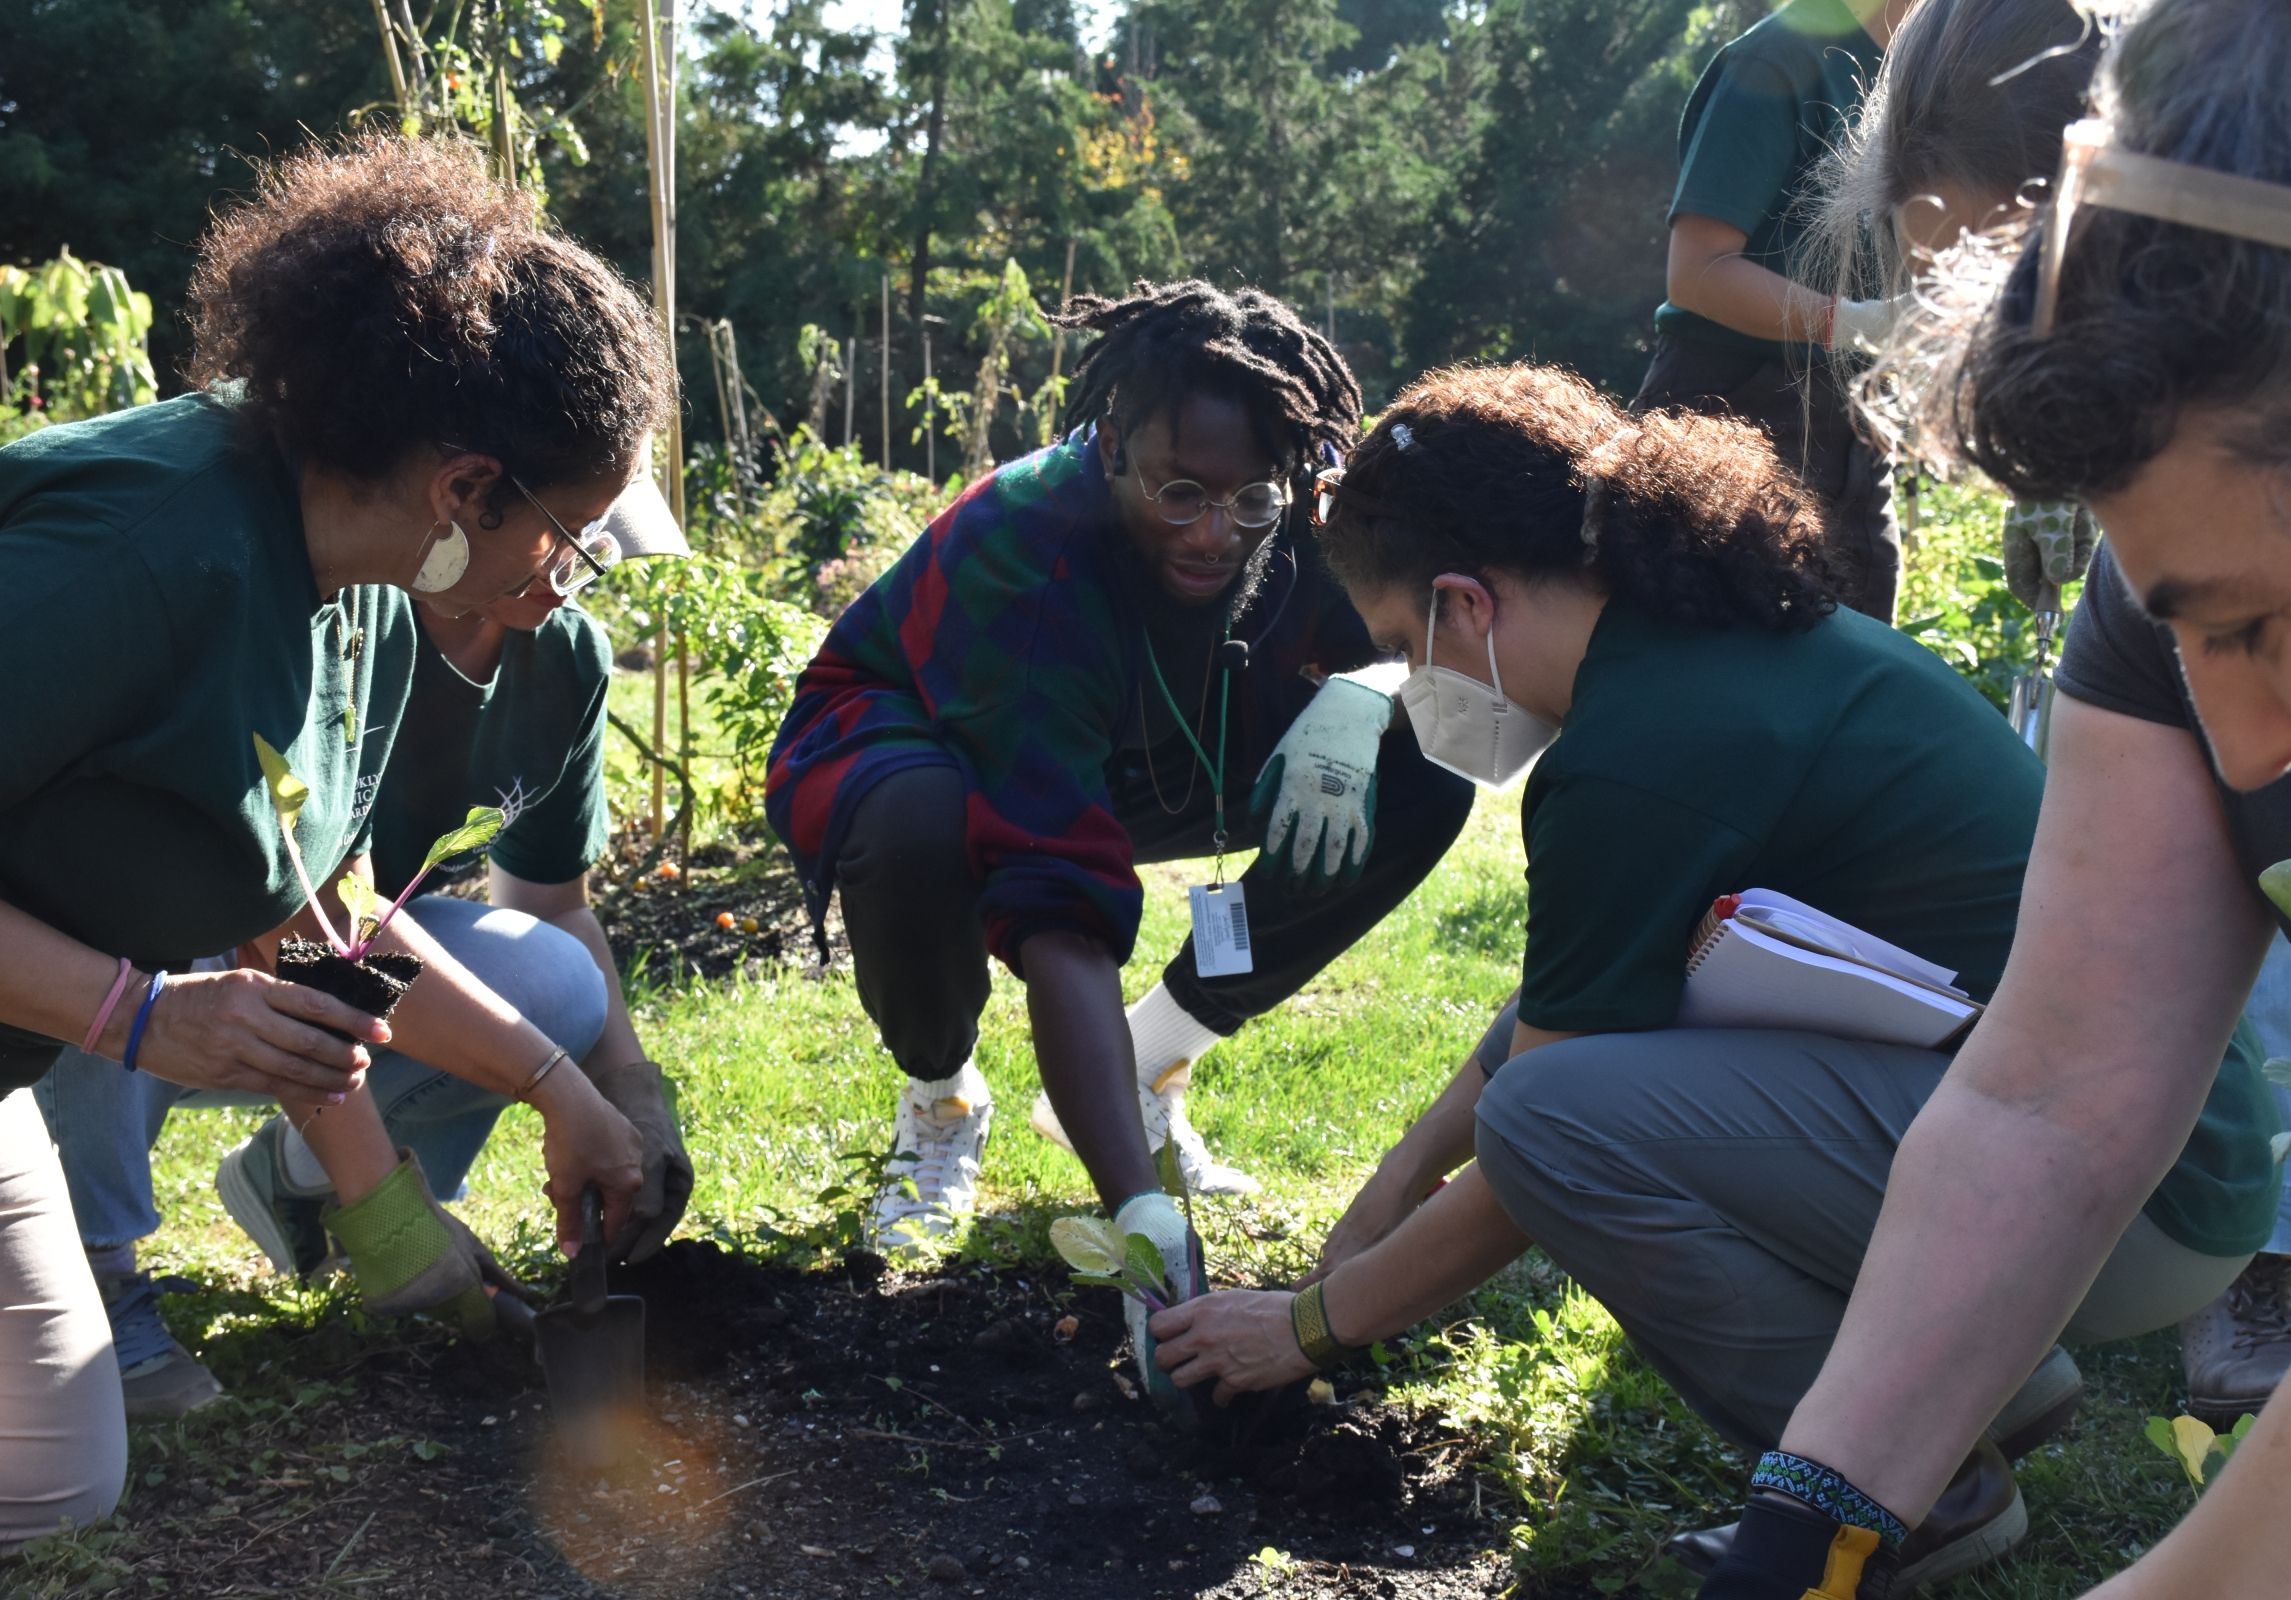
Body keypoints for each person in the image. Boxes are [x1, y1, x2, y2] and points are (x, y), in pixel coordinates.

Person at [1145, 362, 2278, 1593]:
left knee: (1552, 1127)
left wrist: (1313, 1326)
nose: (1414, 695)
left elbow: (1543, 1135)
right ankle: (1986, 1383)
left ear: (1463, 605)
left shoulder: (1637, 755)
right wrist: (1399, 1174)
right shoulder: (1698, 651)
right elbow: (1583, 995)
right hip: (2169, 1147)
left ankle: (1921, 1481)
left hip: (2122, 1197)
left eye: (1395, 650)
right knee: (1565, 1095)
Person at [1687, 2, 2291, 1596]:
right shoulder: (2205, 538)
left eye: (2253, 625)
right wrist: (1812, 1527)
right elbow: (2050, 1091)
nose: (2244, 750)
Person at [0, 133, 668, 1545]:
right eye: (567, 537)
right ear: (468, 487)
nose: (562, 590)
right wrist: (138, 1015)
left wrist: (560, 1092)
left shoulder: (353, 582)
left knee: (58, 1477)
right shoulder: (147, 548)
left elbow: (316, 909)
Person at [764, 279, 1474, 1395]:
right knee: (918, 823)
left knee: (1425, 764)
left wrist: (1372, 689)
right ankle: (943, 1097)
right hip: (938, 726)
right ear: (1109, 448)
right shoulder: (1026, 551)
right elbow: (1057, 903)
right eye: (1178, 490)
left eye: (1249, 504)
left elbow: (1450, 634)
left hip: (1179, 738)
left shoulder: (1306, 503)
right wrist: (1137, 1206)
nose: (1210, 532)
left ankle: (1150, 1060)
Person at [38, 545, 694, 1420]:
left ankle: (303, 1185)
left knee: (557, 979)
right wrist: (389, 1200)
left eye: (597, 548)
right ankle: (94, 1265)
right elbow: (289, 930)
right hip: (136, 960)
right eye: (563, 532)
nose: (573, 570)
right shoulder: (337, 611)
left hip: (310, 944)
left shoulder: (559, 652)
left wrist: (625, 1090)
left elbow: (546, 908)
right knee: (110, 920)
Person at [1637, 0, 1918, 621]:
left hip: (1856, 428)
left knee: (1859, 682)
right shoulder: (1778, 60)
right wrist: (1859, 323)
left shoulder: (1921, 71)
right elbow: (1698, 274)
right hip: (1728, 424)